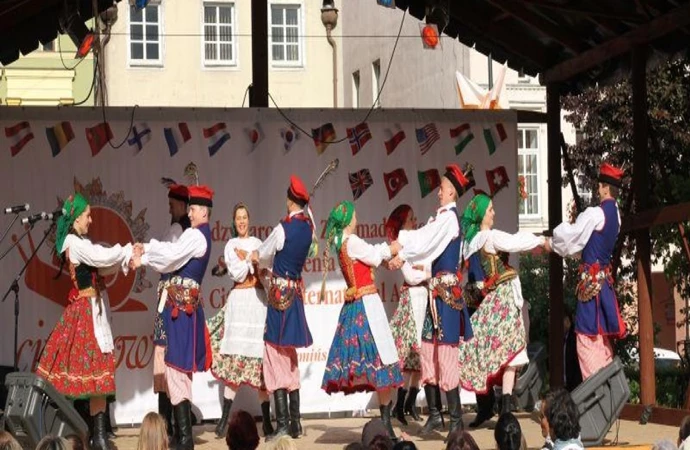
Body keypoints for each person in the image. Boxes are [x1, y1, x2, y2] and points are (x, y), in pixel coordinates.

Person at [36, 193, 133, 450]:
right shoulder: (73, 242)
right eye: (87, 215)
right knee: (90, 373)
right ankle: (91, 437)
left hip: (93, 310)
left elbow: (103, 267)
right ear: (76, 217)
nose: (91, 220)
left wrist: (126, 259)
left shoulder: (81, 242)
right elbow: (100, 258)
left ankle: (97, 437)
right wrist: (126, 250)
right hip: (84, 313)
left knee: (95, 377)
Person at [388, 164, 475, 440]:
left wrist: (399, 242)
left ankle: (456, 420)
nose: (438, 193)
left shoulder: (448, 219)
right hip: (435, 297)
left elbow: (425, 241)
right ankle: (436, 413)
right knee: (428, 352)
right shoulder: (442, 219)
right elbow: (427, 252)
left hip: (446, 297)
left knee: (446, 356)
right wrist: (403, 257)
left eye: (441, 189)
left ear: (451, 191)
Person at [131, 185, 215, 450]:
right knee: (175, 370)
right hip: (178, 309)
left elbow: (170, 256)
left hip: (182, 310)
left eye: (192, 209)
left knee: (177, 370)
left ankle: (185, 440)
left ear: (203, 211)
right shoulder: (195, 234)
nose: (188, 214)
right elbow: (169, 260)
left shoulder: (196, 236)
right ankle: (182, 437)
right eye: (188, 209)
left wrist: (143, 252)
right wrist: (145, 251)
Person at [458, 193, 548, 416]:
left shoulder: (469, 244)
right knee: (512, 349)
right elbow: (515, 241)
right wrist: (540, 240)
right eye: (490, 210)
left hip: (490, 301)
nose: (494, 213)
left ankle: (498, 405)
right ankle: (505, 405)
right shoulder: (489, 236)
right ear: (481, 215)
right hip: (503, 297)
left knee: (491, 348)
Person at [321, 201, 403, 440]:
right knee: (382, 361)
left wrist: (387, 258)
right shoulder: (353, 241)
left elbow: (369, 260)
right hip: (367, 305)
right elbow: (375, 255)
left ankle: (386, 424)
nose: (357, 217)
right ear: (347, 219)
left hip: (355, 306)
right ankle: (386, 425)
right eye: (354, 214)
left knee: (378, 363)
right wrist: (394, 247)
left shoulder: (342, 245)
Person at [547, 163, 627, 379]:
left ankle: (596, 393)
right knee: (601, 340)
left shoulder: (596, 214)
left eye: (599, 186)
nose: (597, 190)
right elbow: (588, 246)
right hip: (604, 286)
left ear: (604, 188)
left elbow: (573, 237)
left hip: (591, 286)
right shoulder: (616, 217)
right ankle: (609, 391)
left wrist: (553, 241)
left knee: (586, 338)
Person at [250, 175, 314, 441]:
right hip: (295, 295)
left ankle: (284, 425)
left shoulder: (283, 228)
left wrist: (255, 257)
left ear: (290, 202)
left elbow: (264, 252)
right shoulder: (308, 228)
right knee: (289, 355)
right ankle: (297, 422)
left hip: (279, 297)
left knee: (274, 352)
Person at [207, 203, 273, 438]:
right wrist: (249, 261)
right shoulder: (230, 245)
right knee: (235, 361)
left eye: (245, 217)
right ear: (234, 222)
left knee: (260, 363)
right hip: (239, 303)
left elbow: (263, 267)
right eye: (238, 218)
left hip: (257, 302)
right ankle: (224, 420)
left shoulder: (257, 243)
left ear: (249, 219)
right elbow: (237, 273)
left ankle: (266, 421)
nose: (242, 221)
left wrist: (254, 260)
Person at [154, 183, 191, 442]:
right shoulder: (179, 229)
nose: (169, 208)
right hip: (171, 300)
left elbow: (167, 261)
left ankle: (170, 431)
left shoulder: (179, 230)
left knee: (167, 361)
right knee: (170, 362)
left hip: (170, 302)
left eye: (171, 204)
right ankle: (172, 430)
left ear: (181, 206)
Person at [385, 204, 427, 425]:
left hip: (423, 299)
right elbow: (411, 277)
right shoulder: (401, 247)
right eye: (410, 218)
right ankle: (399, 406)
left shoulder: (417, 243)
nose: (414, 221)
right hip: (412, 301)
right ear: (402, 224)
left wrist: (425, 271)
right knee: (409, 354)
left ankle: (410, 402)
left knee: (419, 357)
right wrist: (426, 273)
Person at [563, 310, 582, 392]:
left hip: (574, 384)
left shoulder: (574, 338)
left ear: (567, 321)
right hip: (567, 383)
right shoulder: (564, 338)